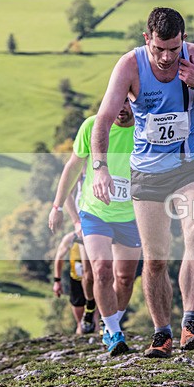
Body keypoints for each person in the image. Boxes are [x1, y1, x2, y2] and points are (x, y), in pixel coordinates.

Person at [90, 7, 194, 358]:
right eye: (159, 49)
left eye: (174, 48)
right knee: (156, 259)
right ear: (147, 40)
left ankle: (190, 324)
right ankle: (162, 333)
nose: (167, 57)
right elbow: (103, 121)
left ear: (183, 40)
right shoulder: (130, 65)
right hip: (147, 172)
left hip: (191, 167)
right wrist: (100, 168)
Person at [50, 97, 140, 356]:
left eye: (128, 103)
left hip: (131, 216)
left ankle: (111, 320)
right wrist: (57, 207)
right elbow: (72, 167)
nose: (122, 109)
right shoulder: (92, 126)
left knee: (124, 278)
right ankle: (113, 331)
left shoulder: (145, 129)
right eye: (117, 103)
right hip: (95, 212)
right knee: (101, 269)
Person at [52, 232, 96, 335]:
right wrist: (57, 281)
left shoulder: (96, 234)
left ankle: (98, 342)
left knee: (94, 316)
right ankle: (80, 342)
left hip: (94, 282)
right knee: (80, 321)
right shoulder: (71, 238)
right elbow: (59, 257)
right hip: (76, 281)